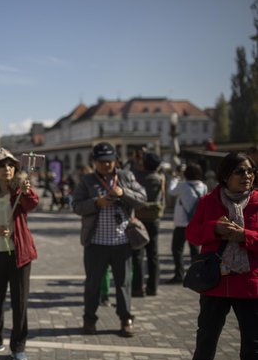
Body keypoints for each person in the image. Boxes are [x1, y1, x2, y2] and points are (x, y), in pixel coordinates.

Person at [184, 152, 258, 360]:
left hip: (249, 281)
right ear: (225, 175)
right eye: (240, 171)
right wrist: (213, 229)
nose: (246, 176)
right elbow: (192, 234)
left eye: (250, 171)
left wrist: (244, 236)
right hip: (216, 278)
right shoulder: (209, 201)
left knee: (252, 337)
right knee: (207, 330)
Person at [72, 142, 146, 337]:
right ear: (95, 162)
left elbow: (142, 198)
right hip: (96, 243)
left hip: (122, 242)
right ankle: (89, 319)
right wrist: (96, 203)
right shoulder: (87, 180)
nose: (106, 165)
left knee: (123, 284)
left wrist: (124, 193)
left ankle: (126, 319)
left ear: (115, 161)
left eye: (109, 161)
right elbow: (77, 206)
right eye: (101, 161)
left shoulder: (126, 176)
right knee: (93, 284)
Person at [0, 148, 38, 360]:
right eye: (2, 165)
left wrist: (28, 191)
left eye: (11, 165)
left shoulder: (19, 192)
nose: (7, 169)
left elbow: (32, 204)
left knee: (19, 302)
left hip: (19, 255)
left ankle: (18, 346)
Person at [166, 163, 207, 284]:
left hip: (181, 223)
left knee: (177, 249)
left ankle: (179, 274)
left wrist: (174, 178)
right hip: (195, 223)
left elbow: (171, 191)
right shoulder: (203, 186)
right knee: (195, 251)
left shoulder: (183, 186)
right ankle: (197, 274)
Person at [133, 152, 165, 297]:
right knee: (153, 254)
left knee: (137, 254)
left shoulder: (137, 176)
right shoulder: (160, 178)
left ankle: (138, 288)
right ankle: (153, 287)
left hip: (138, 218)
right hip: (154, 219)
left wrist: (136, 160)